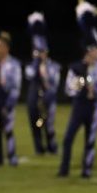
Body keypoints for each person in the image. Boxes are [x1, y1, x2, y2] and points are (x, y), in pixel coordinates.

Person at [58, 2, 97, 178]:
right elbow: (68, 89)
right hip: (79, 106)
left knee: (90, 140)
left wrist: (95, 90)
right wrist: (78, 86)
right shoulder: (76, 67)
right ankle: (63, 170)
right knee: (68, 139)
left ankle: (86, 170)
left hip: (94, 107)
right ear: (89, 50)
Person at [24, 12, 62, 155]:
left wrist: (44, 73)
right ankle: (39, 148)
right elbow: (29, 75)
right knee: (34, 122)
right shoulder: (31, 65)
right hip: (35, 97)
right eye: (38, 52)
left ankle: (52, 147)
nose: (41, 54)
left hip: (48, 97)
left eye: (43, 52)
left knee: (49, 124)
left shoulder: (54, 66)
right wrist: (36, 64)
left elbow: (55, 83)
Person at [0, 31, 22, 166]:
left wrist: (8, 104)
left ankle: (12, 156)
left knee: (8, 129)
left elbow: (16, 86)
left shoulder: (13, 64)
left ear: (5, 48)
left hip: (6, 100)